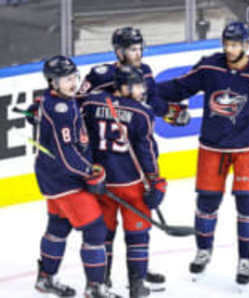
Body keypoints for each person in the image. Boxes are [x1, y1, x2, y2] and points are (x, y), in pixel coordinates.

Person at [157, 22, 249, 285]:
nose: (229, 49)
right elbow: (180, 87)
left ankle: (245, 260)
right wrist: (147, 90)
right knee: (206, 203)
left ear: (246, 45)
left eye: (235, 44)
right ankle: (203, 250)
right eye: (226, 44)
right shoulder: (210, 66)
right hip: (212, 147)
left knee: (248, 206)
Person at [79, 26, 188, 290]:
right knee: (123, 226)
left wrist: (171, 113)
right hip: (116, 161)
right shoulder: (101, 75)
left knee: (128, 227)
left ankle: (134, 270)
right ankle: (120, 276)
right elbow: (77, 103)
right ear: (119, 51)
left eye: (140, 48)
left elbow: (150, 101)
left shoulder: (145, 72)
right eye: (131, 50)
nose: (137, 54)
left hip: (131, 149)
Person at [33, 55, 121, 298]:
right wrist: (89, 172)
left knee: (59, 226)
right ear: (53, 82)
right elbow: (65, 151)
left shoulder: (58, 98)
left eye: (74, 77)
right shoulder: (60, 109)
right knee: (95, 230)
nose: (72, 83)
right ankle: (95, 288)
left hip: (52, 178)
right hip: (65, 179)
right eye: (66, 79)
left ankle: (46, 279)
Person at [81, 65, 167, 298]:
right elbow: (146, 151)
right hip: (130, 184)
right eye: (138, 85)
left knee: (103, 235)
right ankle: (137, 285)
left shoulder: (91, 103)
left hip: (101, 183)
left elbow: (81, 136)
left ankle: (102, 281)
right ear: (123, 87)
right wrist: (156, 180)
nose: (142, 90)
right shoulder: (142, 113)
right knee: (137, 236)